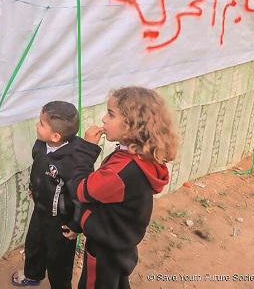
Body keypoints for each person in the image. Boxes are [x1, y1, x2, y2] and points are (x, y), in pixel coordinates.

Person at [71, 87, 178, 289]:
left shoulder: (122, 171)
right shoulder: (140, 157)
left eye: (110, 114)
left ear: (132, 127)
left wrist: (86, 149)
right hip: (122, 241)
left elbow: (81, 189)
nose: (103, 119)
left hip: (105, 245)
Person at [11, 101, 84, 288]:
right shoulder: (40, 145)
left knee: (59, 261)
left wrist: (75, 225)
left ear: (56, 135)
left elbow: (80, 196)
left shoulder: (74, 161)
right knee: (34, 245)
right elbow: (38, 168)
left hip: (61, 223)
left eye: (41, 123)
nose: (37, 124)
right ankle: (32, 275)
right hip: (40, 211)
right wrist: (33, 187)